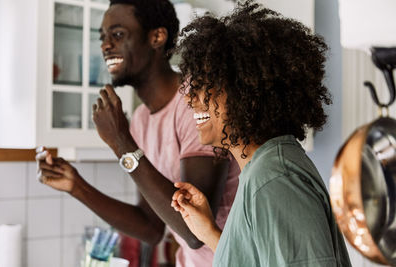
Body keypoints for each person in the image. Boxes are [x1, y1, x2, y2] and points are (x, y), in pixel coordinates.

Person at [36, 0, 239, 266]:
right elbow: (151, 228)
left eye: (118, 35)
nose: (105, 45)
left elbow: (195, 232)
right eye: (103, 38)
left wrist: (121, 142)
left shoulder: (195, 103)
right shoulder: (142, 120)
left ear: (157, 37)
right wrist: (76, 185)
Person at [170, 1, 352, 266]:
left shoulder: (275, 179)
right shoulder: (263, 171)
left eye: (207, 85)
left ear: (247, 90)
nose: (192, 100)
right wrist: (209, 231)